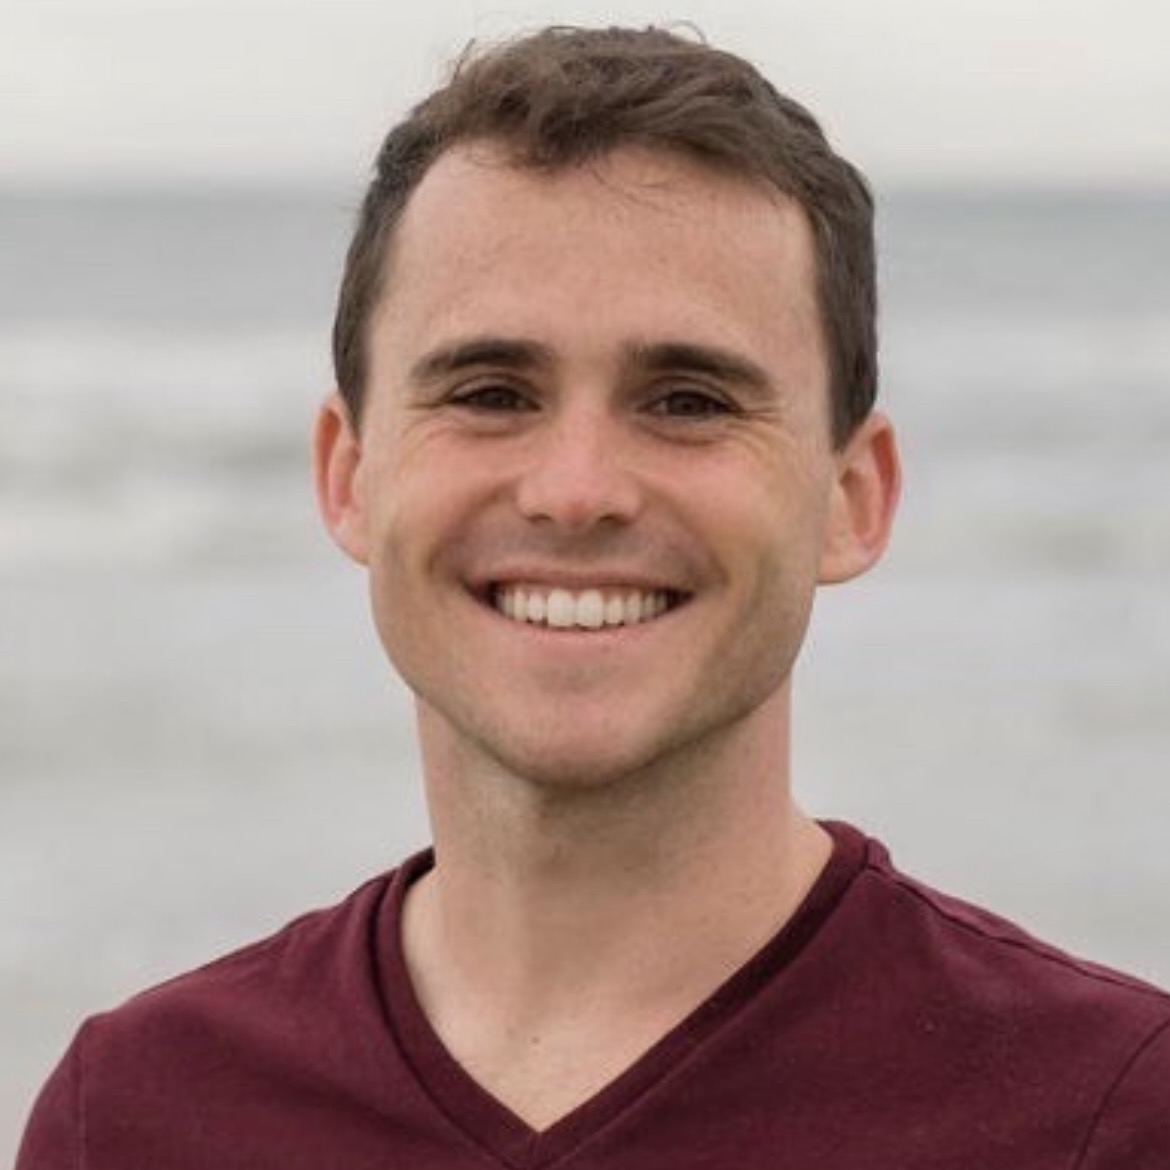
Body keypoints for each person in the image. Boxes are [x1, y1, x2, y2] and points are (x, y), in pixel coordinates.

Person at [17, 25, 1170, 1169]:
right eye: (488, 390)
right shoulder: (137, 1115)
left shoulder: (1106, 1113)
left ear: (851, 498)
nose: (577, 491)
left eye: (687, 401)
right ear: (348, 474)